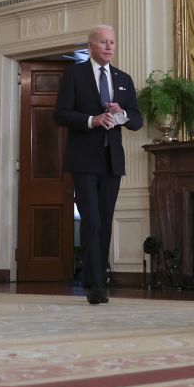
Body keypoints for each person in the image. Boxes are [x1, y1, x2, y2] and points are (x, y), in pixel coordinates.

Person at [53, 25, 142, 305]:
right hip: (83, 160)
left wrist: (122, 113)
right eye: (104, 42)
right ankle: (95, 284)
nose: (109, 46)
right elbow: (61, 115)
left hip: (111, 161)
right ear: (90, 45)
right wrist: (92, 120)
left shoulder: (123, 78)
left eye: (112, 42)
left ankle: (95, 278)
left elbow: (137, 121)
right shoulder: (74, 75)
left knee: (104, 221)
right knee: (91, 220)